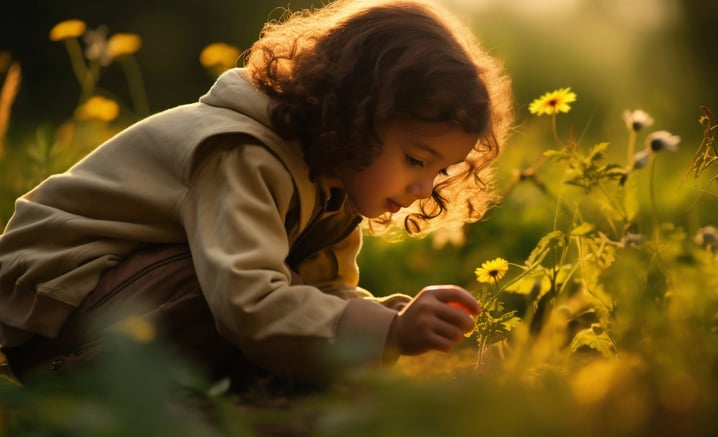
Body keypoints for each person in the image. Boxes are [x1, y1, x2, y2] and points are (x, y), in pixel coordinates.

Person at [0, 0, 513, 386]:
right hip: (50, 312)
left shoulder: (332, 188)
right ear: (358, 115)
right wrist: (387, 335)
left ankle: (231, 396)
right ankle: (80, 384)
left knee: (287, 291)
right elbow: (248, 305)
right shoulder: (241, 152)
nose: (423, 188)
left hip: (117, 298)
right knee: (221, 285)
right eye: (416, 160)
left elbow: (325, 296)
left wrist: (394, 320)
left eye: (439, 171)